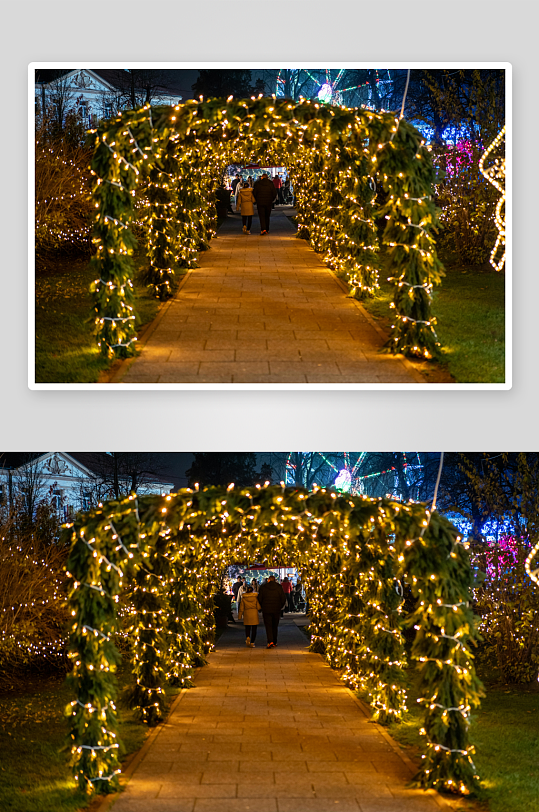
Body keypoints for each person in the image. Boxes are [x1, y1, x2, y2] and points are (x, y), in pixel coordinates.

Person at [257, 574, 286, 648]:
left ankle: (270, 641)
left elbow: (260, 598)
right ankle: (275, 641)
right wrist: (280, 606)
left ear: (268, 580)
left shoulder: (264, 587)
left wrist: (262, 606)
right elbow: (283, 598)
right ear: (275, 580)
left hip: (266, 609)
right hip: (276, 609)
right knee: (275, 626)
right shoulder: (279, 587)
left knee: (268, 626)